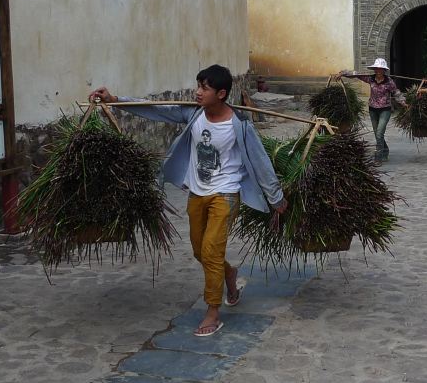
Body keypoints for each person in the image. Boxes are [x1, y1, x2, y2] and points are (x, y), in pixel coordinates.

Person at [89, 65, 287, 338]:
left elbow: (260, 162)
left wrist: (276, 198)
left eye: (204, 88)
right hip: (197, 193)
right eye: (198, 86)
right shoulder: (193, 115)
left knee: (211, 251)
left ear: (221, 93)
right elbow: (156, 109)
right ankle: (229, 276)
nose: (197, 92)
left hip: (226, 195)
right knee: (199, 251)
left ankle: (212, 311)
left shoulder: (239, 125)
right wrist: (115, 101)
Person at [343, 58, 405, 164]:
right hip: (372, 109)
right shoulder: (370, 79)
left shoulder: (389, 82)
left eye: (380, 69)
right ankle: (385, 150)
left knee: (380, 132)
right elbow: (357, 74)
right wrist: (344, 73)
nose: (378, 71)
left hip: (385, 110)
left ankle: (378, 156)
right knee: (377, 134)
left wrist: (403, 102)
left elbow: (396, 92)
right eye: (376, 69)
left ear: (384, 70)